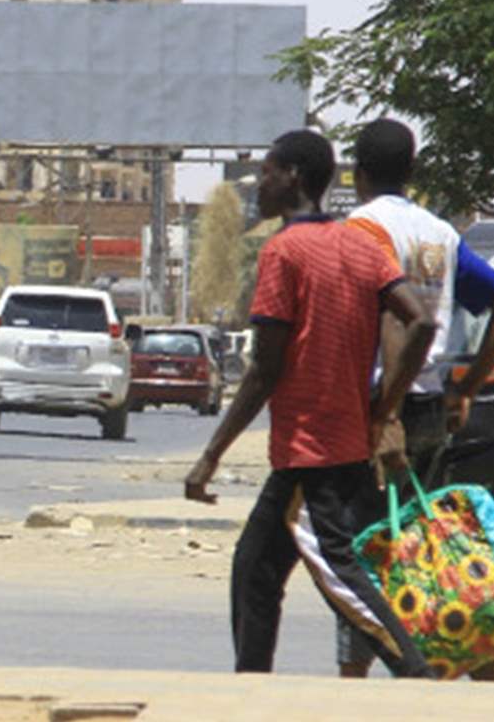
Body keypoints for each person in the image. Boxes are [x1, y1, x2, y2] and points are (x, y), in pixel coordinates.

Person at [183, 130, 437, 680]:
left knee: (341, 575)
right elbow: (422, 321)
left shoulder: (284, 251)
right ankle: (252, 687)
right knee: (255, 567)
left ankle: (419, 674)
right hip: (338, 444)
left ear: (293, 176)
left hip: (311, 450)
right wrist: (383, 405)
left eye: (267, 172)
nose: (259, 185)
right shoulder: (360, 246)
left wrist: (210, 455)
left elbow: (265, 370)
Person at [337, 118, 494, 680]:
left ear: (359, 174)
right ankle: (475, 657)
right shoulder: (439, 233)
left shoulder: (361, 229)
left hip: (383, 409)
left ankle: (356, 678)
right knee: (421, 545)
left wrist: (384, 413)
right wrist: (466, 387)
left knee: (364, 549)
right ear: (412, 171)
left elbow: (394, 320)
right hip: (431, 405)